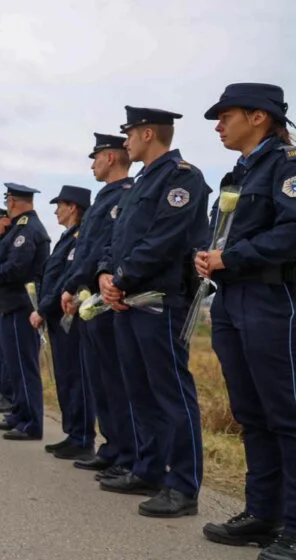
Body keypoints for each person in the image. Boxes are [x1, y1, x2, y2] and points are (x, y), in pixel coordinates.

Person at [195, 83, 295, 556]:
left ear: (259, 117)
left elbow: (292, 232)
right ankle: (262, 514)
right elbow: (224, 235)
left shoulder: (288, 166)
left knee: (286, 413)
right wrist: (209, 257)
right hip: (232, 300)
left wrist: (231, 257)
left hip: (273, 299)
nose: (218, 126)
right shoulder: (235, 175)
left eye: (226, 116)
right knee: (251, 412)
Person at [97, 106, 210, 517]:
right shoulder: (141, 182)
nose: (125, 141)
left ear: (147, 134)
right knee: (139, 391)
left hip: (160, 301)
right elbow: (117, 238)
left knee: (170, 393)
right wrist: (105, 273)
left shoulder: (183, 177)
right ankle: (148, 470)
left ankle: (183, 486)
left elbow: (165, 239)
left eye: (129, 134)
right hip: (128, 300)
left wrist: (121, 277)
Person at [61, 133, 137, 479]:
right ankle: (112, 448)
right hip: (90, 297)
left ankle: (127, 453)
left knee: (115, 380)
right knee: (101, 380)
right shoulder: (103, 199)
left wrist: (81, 283)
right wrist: (74, 287)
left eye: (95, 158)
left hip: (105, 297)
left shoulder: (123, 195)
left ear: (109, 157)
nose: (92, 165)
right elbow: (85, 253)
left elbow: (103, 250)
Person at [0, 183, 49, 442]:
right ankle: (21, 413)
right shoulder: (18, 229)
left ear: (11, 200)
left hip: (21, 306)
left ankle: (31, 422)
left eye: (7, 201)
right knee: (15, 366)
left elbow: (18, 267)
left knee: (24, 366)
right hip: (11, 306)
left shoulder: (28, 229)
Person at [32, 185, 95, 460]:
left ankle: (83, 439)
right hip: (58, 316)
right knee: (65, 377)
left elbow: (64, 280)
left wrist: (43, 309)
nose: (56, 211)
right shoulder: (67, 237)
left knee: (76, 377)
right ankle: (73, 433)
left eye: (59, 206)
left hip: (69, 315)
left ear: (73, 207)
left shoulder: (80, 237)